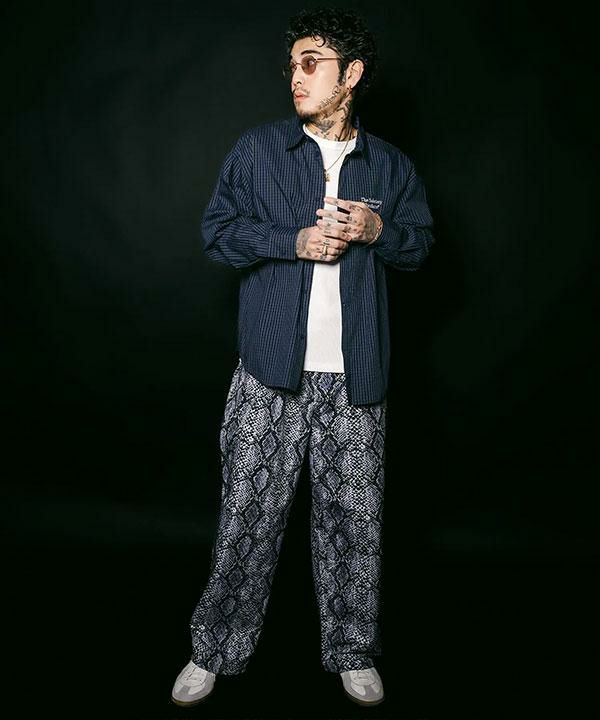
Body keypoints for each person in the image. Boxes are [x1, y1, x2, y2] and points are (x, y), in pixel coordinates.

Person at [171, 6, 434, 708]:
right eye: (292, 64)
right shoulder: (258, 151)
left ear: (351, 74)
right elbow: (217, 233)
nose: (296, 75)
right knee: (247, 520)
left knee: (354, 523)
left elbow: (420, 246)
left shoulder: (391, 165)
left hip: (356, 378)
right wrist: (290, 241)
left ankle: (351, 650)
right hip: (269, 375)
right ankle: (214, 649)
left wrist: (378, 229)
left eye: (311, 63)